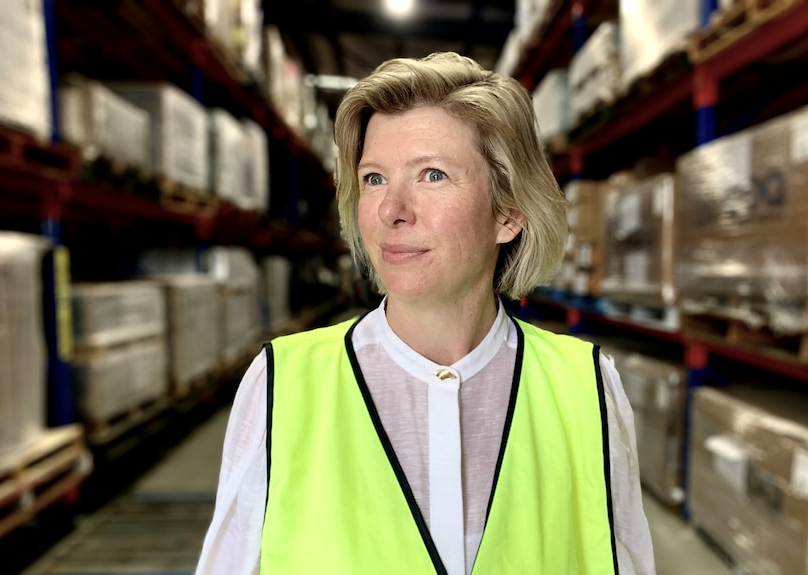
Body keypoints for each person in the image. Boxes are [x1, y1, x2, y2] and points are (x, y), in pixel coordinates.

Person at [195, 51, 655, 574]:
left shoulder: (588, 387)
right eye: (373, 179)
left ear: (507, 212)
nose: (392, 210)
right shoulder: (281, 385)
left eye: (431, 175)